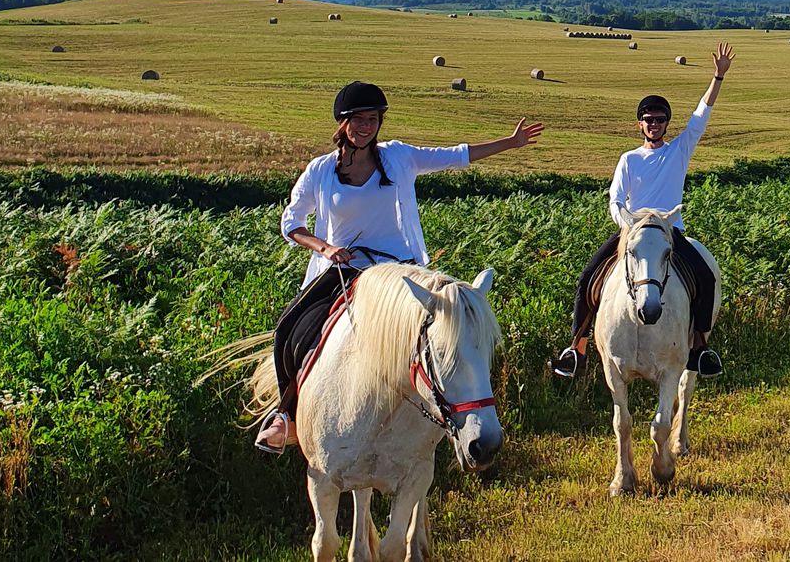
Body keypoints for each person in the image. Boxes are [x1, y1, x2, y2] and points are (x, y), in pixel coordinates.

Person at [255, 80, 543, 454]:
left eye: (372, 119)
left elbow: (456, 156)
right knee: (291, 327)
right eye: (357, 119)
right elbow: (290, 221)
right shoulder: (320, 170)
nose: (365, 126)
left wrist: (509, 142)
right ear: (342, 123)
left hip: (398, 272)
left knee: (455, 325)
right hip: (345, 267)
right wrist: (325, 247)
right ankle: (287, 416)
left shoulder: (399, 156)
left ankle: (463, 417)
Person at [550, 43, 733, 380]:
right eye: (648, 120)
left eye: (660, 120)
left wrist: (717, 77)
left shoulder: (679, 150)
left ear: (666, 125)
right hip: (632, 234)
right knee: (588, 277)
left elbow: (700, 116)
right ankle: (576, 348)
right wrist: (629, 228)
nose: (654, 124)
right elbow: (616, 200)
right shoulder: (629, 159)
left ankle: (699, 348)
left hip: (669, 232)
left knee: (705, 277)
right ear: (640, 124)